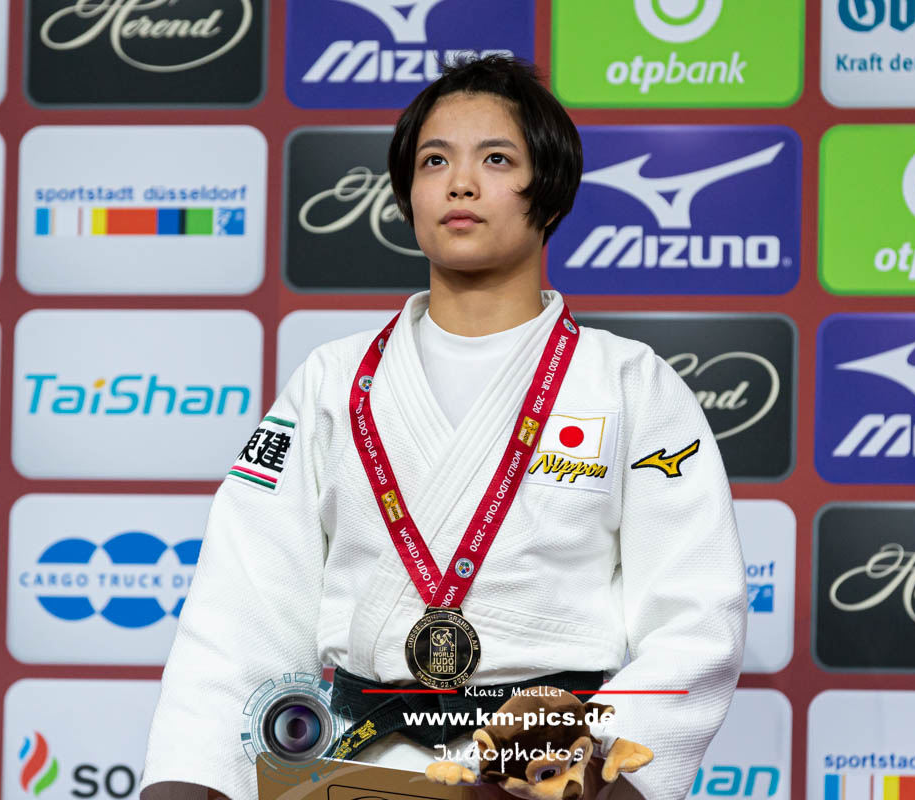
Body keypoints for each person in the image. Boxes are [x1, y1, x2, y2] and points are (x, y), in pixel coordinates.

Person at [139, 56, 746, 800]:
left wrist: (613, 767)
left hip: (551, 776)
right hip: (357, 773)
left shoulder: (629, 383)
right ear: (408, 195)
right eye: (435, 161)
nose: (460, 183)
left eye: (496, 159)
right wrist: (192, 772)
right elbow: (245, 598)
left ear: (549, 191)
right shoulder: (333, 381)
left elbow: (695, 617)